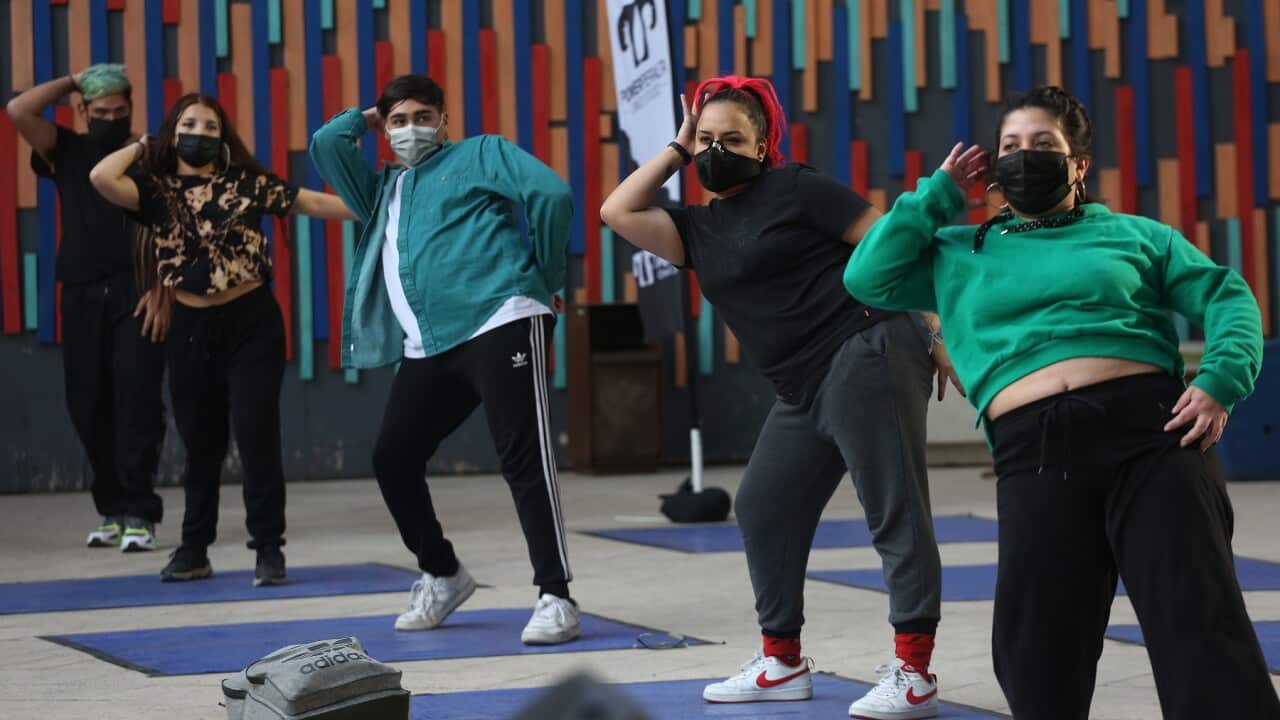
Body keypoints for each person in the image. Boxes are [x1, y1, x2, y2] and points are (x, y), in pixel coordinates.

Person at [844, 85, 1280, 719]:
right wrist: (937, 195)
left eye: (1044, 145)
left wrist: (1220, 379)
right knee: (1036, 645)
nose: (1025, 157)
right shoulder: (959, 250)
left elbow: (1227, 294)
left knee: (1196, 616)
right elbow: (867, 276)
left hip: (1152, 435)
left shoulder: (1136, 234)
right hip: (1035, 448)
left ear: (1078, 165)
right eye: (1011, 147)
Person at [601, 75, 961, 718]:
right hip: (800, 386)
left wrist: (933, 328)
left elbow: (896, 248)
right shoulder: (694, 229)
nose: (717, 149)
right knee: (763, 505)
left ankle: (914, 671)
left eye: (731, 138)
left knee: (894, 510)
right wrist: (678, 149)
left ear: (763, 145)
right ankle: (783, 660)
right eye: (706, 138)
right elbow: (616, 211)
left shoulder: (799, 188)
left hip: (866, 349)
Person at [309, 75, 580, 645]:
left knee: (522, 457)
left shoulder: (482, 153)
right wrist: (369, 115)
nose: (412, 129)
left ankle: (556, 595)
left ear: (445, 120)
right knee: (393, 457)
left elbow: (551, 194)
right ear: (385, 129)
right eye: (399, 121)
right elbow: (328, 144)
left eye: (424, 116)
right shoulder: (380, 189)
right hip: (429, 344)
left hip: (501, 315)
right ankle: (442, 572)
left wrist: (549, 276)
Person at [90, 93, 354, 586]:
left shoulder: (247, 183)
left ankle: (269, 549)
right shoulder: (155, 189)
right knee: (200, 443)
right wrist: (147, 144)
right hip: (190, 328)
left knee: (256, 436)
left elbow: (309, 201)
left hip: (251, 322)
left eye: (210, 126)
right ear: (173, 130)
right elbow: (101, 177)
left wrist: (375, 209)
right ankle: (194, 549)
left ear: (223, 136)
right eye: (189, 124)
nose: (200, 132)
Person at [6, 64, 167, 553]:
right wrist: (76, 79)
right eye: (101, 112)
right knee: (87, 402)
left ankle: (140, 511)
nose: (111, 119)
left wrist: (162, 290)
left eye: (119, 111)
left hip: (136, 289)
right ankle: (113, 509)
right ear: (83, 111)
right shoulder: (66, 150)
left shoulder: (149, 154)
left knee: (136, 400)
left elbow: (171, 226)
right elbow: (18, 109)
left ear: (131, 110)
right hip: (78, 292)